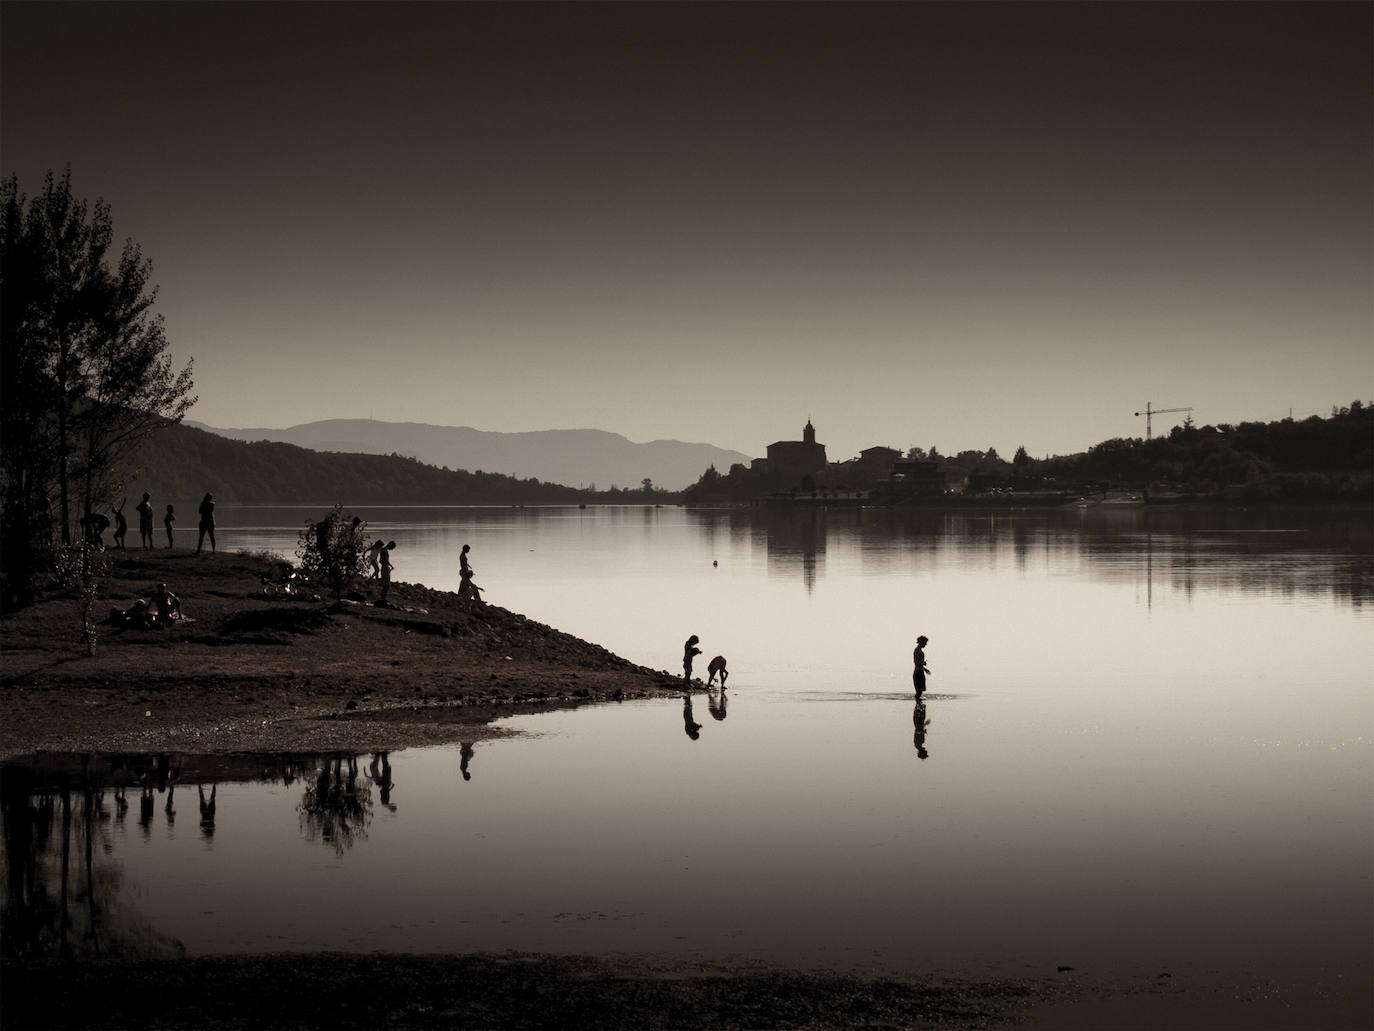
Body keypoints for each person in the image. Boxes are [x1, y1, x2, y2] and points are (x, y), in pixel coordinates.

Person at [379, 540, 395, 604]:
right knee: (386, 584)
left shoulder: (383, 550)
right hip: (385, 568)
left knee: (386, 584)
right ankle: (383, 599)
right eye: (392, 548)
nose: (392, 549)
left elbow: (380, 560)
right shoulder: (384, 551)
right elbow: (385, 560)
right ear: (390, 545)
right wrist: (391, 566)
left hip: (384, 568)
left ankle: (383, 598)